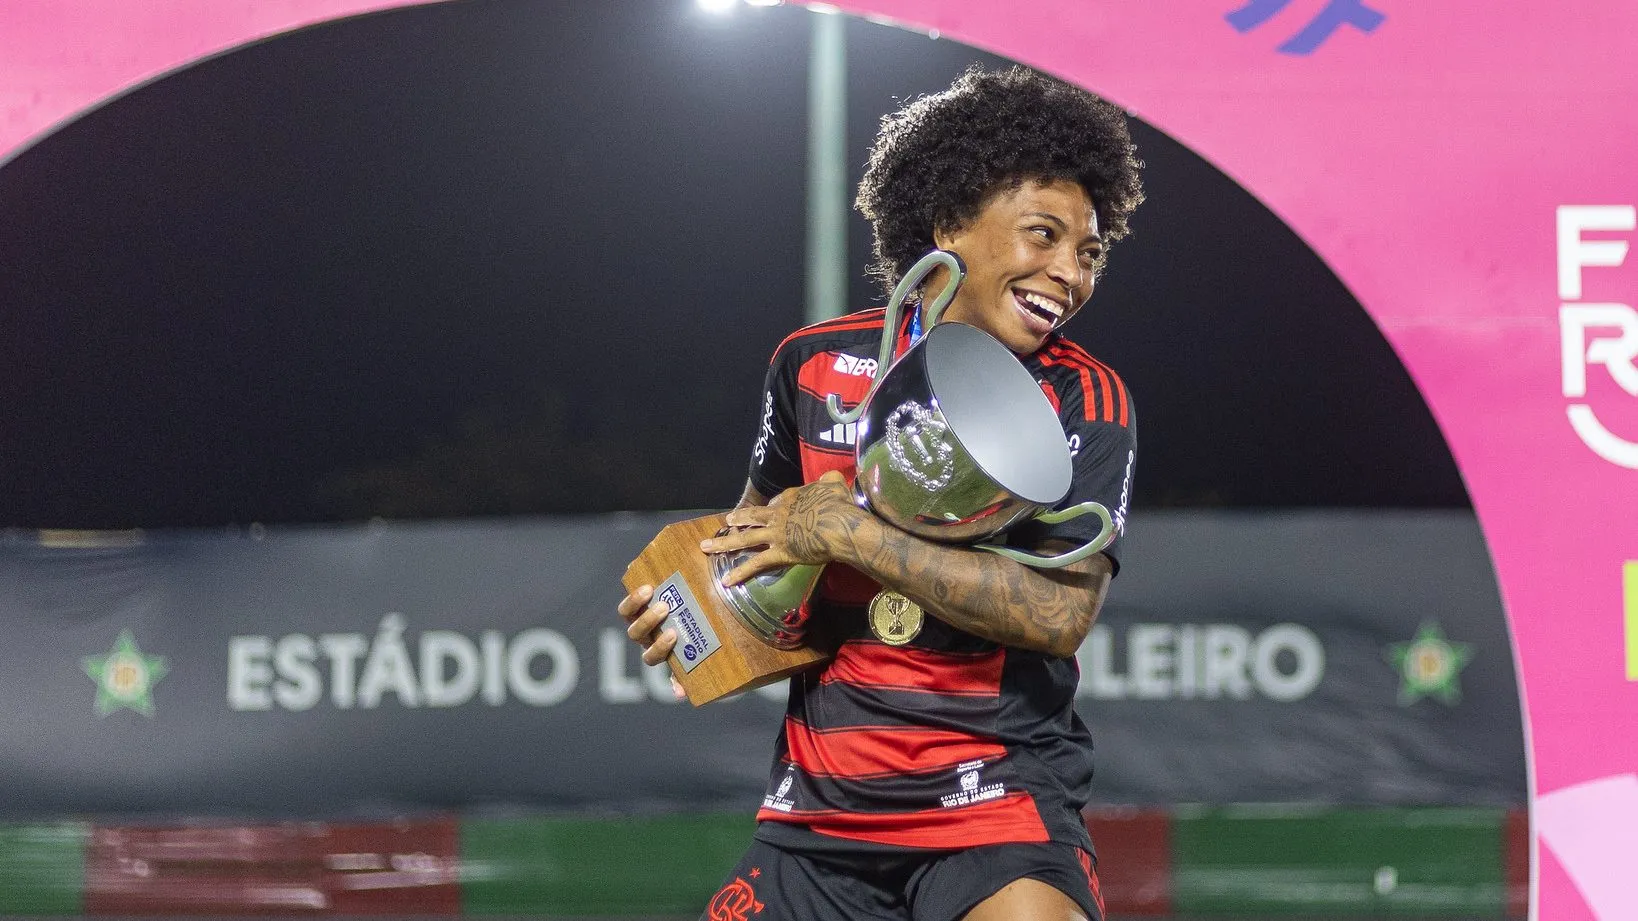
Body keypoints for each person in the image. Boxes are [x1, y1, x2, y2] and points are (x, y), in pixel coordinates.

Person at [618, 65, 1143, 921]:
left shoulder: (1085, 397)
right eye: (1042, 235)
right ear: (947, 225)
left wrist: (857, 537)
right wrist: (696, 612)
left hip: (997, 807)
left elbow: (1057, 616)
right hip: (817, 817)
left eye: (1089, 252)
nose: (1069, 274)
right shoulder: (812, 363)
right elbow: (761, 549)